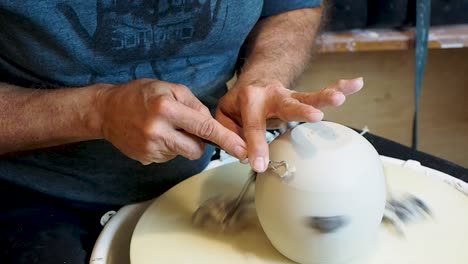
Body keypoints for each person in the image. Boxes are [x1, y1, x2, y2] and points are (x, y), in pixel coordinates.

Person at [0, 1, 363, 263]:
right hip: (36, 187)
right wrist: (95, 112)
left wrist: (265, 75)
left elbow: (292, 6)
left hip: (210, 167)